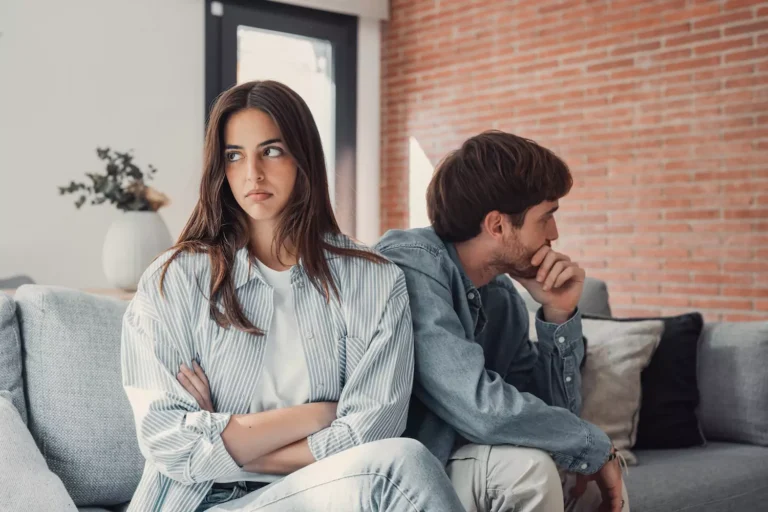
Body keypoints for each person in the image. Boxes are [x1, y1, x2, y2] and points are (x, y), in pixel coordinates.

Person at [121, 80, 465, 512]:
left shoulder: (373, 281)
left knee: (401, 462)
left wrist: (229, 437)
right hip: (202, 503)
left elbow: (370, 434)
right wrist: (320, 414)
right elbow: (169, 442)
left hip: (321, 493)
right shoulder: (174, 281)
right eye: (234, 156)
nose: (253, 174)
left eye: (271, 150)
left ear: (303, 156)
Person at [375, 131, 629, 512]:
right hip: (405, 473)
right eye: (546, 218)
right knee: (535, 468)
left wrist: (558, 314)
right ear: (497, 225)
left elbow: (548, 416)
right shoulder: (412, 266)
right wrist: (595, 446)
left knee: (588, 482)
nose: (555, 234)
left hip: (466, 458)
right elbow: (482, 408)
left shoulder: (500, 295)